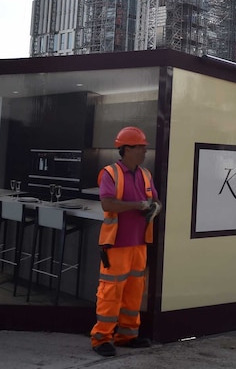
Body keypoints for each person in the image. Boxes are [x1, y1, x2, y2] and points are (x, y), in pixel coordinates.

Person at [90, 126, 162, 357]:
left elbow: (154, 200)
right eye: (141, 147)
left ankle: (127, 335)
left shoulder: (146, 174)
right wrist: (137, 205)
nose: (144, 151)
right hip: (116, 245)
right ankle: (101, 338)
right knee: (110, 292)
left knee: (133, 292)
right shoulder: (110, 173)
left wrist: (155, 207)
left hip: (139, 244)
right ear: (127, 149)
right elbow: (108, 204)